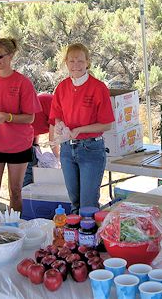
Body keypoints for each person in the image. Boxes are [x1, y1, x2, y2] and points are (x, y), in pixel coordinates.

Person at [0, 38, 41, 212]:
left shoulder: (22, 82)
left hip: (18, 145)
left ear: (11, 56)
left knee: (16, 192)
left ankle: (15, 230)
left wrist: (8, 117)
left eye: (0, 56)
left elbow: (30, 118)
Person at [50, 43, 114, 214]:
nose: (75, 65)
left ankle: (90, 240)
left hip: (91, 148)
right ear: (66, 63)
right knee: (75, 202)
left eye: (80, 61)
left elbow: (107, 124)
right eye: (71, 61)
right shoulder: (62, 87)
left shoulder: (98, 88)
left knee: (88, 204)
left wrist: (80, 130)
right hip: (67, 149)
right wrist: (59, 125)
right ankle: (75, 240)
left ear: (88, 62)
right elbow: (56, 116)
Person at [22, 92, 59, 187]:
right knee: (28, 174)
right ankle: (24, 199)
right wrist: (58, 158)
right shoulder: (56, 106)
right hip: (21, 138)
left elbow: (37, 120)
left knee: (34, 171)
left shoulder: (50, 101)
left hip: (29, 136)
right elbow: (52, 139)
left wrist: (36, 146)